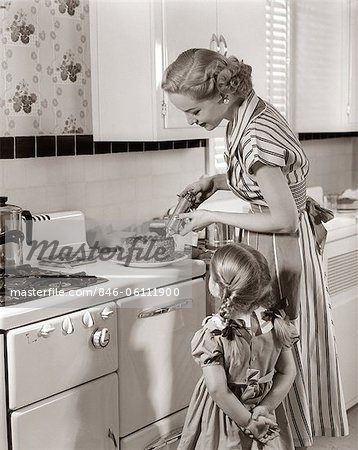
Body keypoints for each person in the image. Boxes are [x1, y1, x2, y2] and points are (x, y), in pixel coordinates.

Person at [162, 49, 349, 449]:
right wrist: (216, 180)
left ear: (222, 96)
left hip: (281, 246)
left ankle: (265, 432)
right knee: (264, 343)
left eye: (193, 110)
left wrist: (212, 216)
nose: (190, 120)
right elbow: (263, 182)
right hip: (279, 241)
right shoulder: (247, 114)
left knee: (267, 344)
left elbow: (280, 216)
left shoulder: (254, 134)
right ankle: (264, 430)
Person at [178, 242, 298, 450]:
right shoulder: (275, 321)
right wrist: (264, 409)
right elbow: (288, 372)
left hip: (225, 416)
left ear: (217, 287)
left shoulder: (214, 333)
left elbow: (218, 390)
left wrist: (249, 422)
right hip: (264, 410)